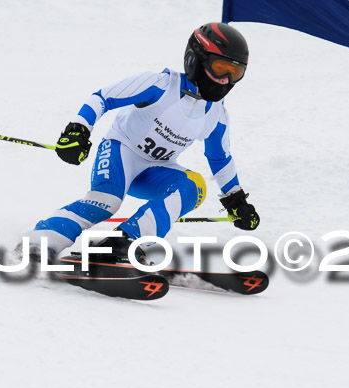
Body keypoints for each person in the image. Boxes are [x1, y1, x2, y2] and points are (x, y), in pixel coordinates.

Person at [27, 22, 260, 263]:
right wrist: (78, 130)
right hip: (121, 152)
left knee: (195, 186)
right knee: (106, 203)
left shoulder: (217, 114)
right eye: (220, 68)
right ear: (196, 60)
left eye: (235, 73)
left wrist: (236, 200)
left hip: (156, 169)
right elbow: (103, 97)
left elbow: (220, 158)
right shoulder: (161, 85)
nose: (225, 80)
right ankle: (39, 243)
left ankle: (124, 241)